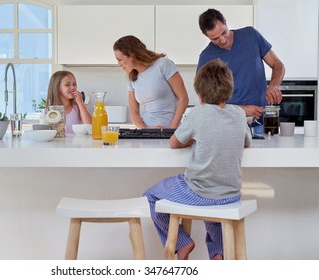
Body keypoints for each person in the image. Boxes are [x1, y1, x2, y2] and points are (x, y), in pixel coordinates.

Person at [143, 59, 252, 260]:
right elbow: (246, 142)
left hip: (200, 192)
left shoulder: (197, 113)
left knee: (151, 196)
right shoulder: (238, 113)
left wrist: (194, 139)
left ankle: (182, 242)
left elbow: (174, 143)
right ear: (229, 89)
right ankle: (219, 253)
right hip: (230, 194)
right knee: (214, 205)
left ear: (200, 95)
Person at [197, 8, 285, 128]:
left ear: (226, 23)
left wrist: (273, 85)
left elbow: (277, 64)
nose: (222, 40)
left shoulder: (251, 35)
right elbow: (205, 103)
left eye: (223, 32)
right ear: (207, 37)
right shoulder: (206, 57)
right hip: (229, 125)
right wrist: (242, 110)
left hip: (262, 121)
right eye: (215, 39)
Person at [113, 35, 189, 129]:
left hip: (172, 130)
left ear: (132, 55)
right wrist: (145, 131)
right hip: (147, 132)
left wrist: (171, 129)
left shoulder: (163, 64)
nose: (119, 64)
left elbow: (183, 98)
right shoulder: (131, 77)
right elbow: (134, 111)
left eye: (120, 60)